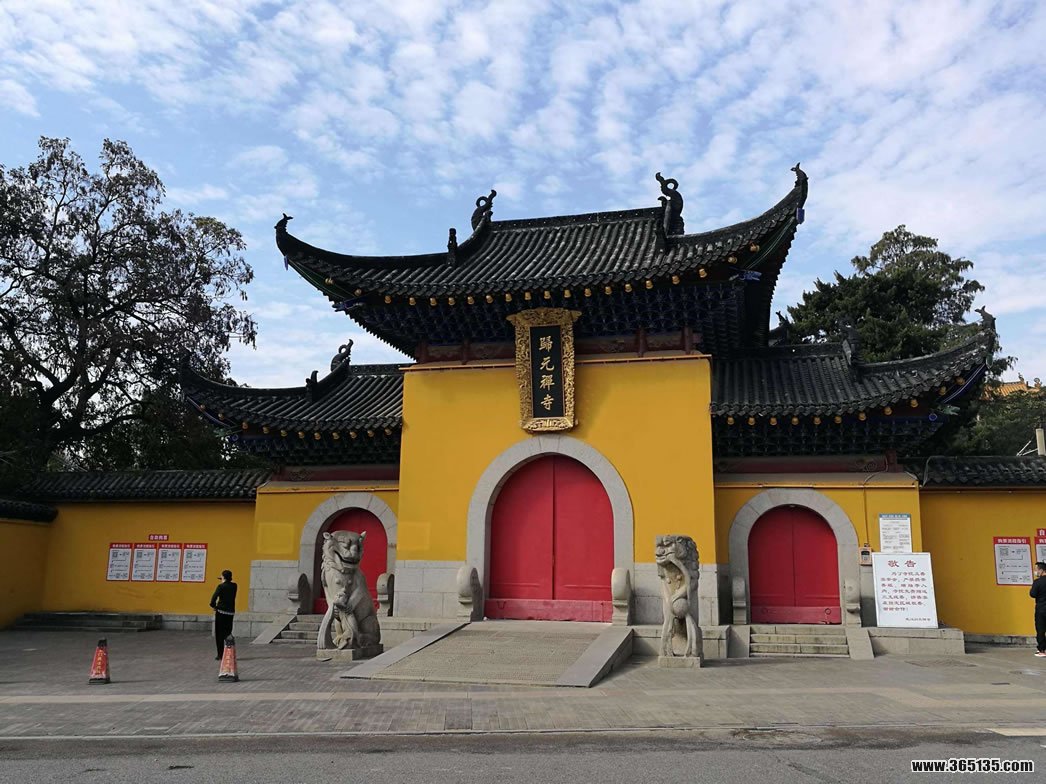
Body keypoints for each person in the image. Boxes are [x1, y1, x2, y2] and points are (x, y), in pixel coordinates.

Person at [209, 569, 237, 660]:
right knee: (228, 632)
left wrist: (214, 606)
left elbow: (213, 598)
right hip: (230, 612)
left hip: (221, 612)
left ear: (223, 577)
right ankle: (230, 652)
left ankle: (220, 654)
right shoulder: (234, 586)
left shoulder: (221, 586)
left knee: (219, 634)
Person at [1031, 561, 1046, 658]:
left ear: (1041, 570)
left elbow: (1032, 594)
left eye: (1036, 569)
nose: (1035, 572)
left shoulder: (1037, 582)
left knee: (1040, 630)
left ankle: (1042, 650)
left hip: (1041, 609)